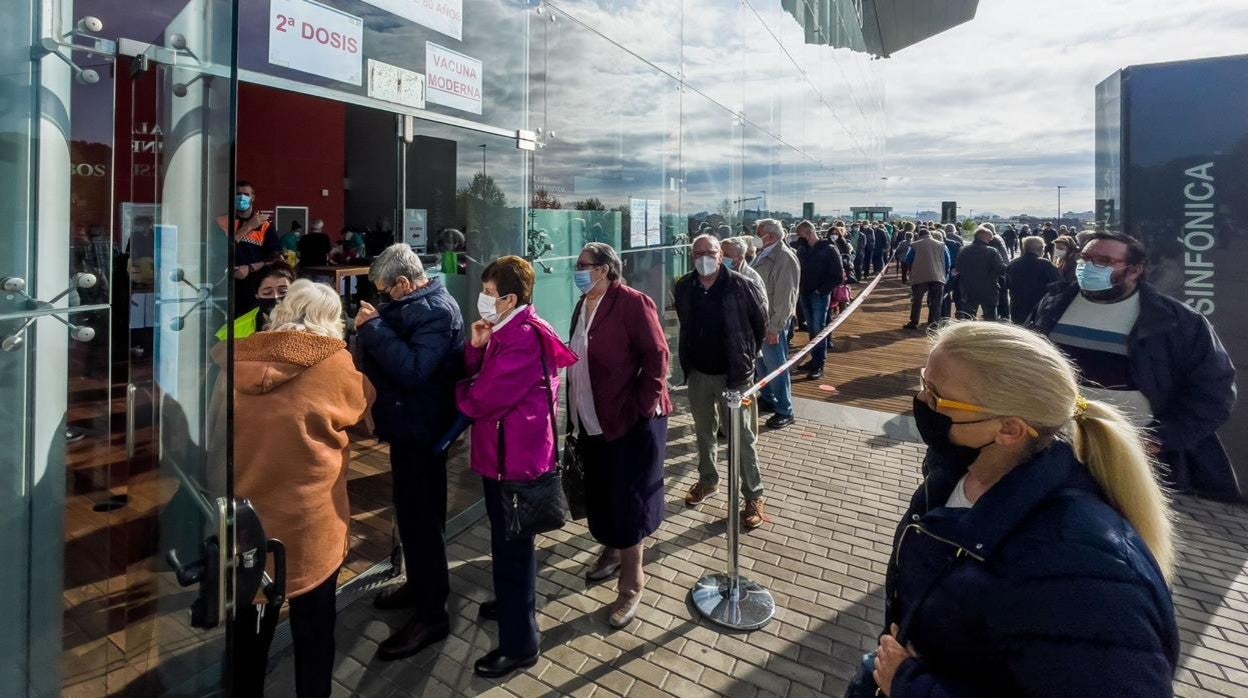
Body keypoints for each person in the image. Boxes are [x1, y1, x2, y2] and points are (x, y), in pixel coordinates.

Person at [854, 321, 1178, 697]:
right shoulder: (958, 473)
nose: (921, 401)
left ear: (1010, 430)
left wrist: (912, 685)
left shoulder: (1080, 571)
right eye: (923, 381)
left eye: (937, 398)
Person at [226, 280, 374, 698]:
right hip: (311, 520)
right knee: (314, 631)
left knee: (248, 632)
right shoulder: (333, 363)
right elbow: (364, 407)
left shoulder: (236, 357)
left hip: (246, 518)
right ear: (331, 320)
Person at [1028, 232, 1239, 500]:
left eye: (1104, 261)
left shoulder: (1176, 321)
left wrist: (1160, 439)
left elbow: (1214, 391)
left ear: (1134, 270)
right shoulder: (1053, 303)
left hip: (1130, 455)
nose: (1089, 267)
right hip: (1054, 444)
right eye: (1085, 258)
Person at [456, 256, 577, 678]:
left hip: (516, 463)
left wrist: (458, 394)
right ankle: (509, 607)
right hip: (506, 456)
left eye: (489, 292)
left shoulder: (522, 336)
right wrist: (476, 349)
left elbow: (483, 398)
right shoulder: (508, 329)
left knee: (512, 551)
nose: (483, 299)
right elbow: (484, 377)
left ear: (510, 298)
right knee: (507, 545)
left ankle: (520, 644)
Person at [354, 243, 465, 660]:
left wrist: (374, 328)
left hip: (423, 433)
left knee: (423, 523)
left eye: (386, 291)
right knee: (413, 517)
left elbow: (415, 370)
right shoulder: (420, 304)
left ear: (404, 283)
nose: (383, 298)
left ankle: (432, 615)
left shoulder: (436, 310)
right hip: (409, 429)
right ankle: (419, 586)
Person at [567, 243, 672, 628]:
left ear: (606, 269)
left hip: (629, 423)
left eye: (584, 266)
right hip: (592, 420)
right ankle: (611, 552)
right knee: (603, 492)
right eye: (577, 266)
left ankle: (632, 584)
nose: (578, 272)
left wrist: (642, 408)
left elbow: (658, 356)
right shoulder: (583, 306)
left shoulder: (632, 302)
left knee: (629, 502)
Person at [674, 234, 768, 529]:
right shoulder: (684, 286)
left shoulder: (742, 285)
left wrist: (746, 361)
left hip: (734, 376)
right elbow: (685, 322)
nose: (704, 257)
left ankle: (753, 494)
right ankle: (707, 480)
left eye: (710, 252)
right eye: (698, 253)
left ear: (721, 255)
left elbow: (759, 325)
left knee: (741, 438)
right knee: (704, 432)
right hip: (699, 373)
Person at [750, 218, 801, 429]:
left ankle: (785, 410)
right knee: (762, 364)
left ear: (770, 236)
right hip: (760, 322)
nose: (755, 235)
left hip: (772, 323)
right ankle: (769, 398)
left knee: (776, 367)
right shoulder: (764, 254)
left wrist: (775, 327)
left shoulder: (784, 258)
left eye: (758, 231)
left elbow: (785, 297)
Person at [792, 220, 843, 380]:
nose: (800, 239)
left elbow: (837, 275)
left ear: (808, 233)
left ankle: (819, 363)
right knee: (813, 329)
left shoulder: (828, 249)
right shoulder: (803, 249)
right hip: (805, 293)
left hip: (819, 295)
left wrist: (821, 290)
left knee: (818, 329)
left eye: (801, 236)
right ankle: (815, 359)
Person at [228, 180, 282, 315]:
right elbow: (221, 249)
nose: (241, 197)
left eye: (246, 194)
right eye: (237, 194)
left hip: (256, 286)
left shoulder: (265, 225)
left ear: (253, 198)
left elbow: (275, 257)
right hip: (228, 286)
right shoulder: (225, 222)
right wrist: (249, 226)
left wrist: (250, 268)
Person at [215, 264, 295, 341]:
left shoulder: (306, 323)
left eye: (283, 291)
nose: (276, 297)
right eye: (267, 293)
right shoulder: (230, 332)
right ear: (257, 295)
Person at [954, 226, 1007, 321]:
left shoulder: (963, 250)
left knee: (968, 318)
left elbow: (958, 268)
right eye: (990, 237)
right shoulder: (992, 251)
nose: (991, 239)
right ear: (985, 237)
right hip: (989, 289)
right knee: (990, 318)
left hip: (968, 288)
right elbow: (1000, 269)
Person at [902, 227, 951, 330]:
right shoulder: (942, 245)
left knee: (917, 300)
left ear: (919, 235)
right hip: (938, 277)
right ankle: (933, 322)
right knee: (936, 301)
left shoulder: (915, 245)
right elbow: (947, 262)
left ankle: (914, 322)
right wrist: (944, 275)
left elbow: (908, 260)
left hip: (920, 276)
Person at [1005, 236, 1060, 324]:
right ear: (1041, 248)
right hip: (1039, 307)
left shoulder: (1013, 263)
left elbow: (1007, 284)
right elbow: (1058, 283)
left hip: (1017, 306)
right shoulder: (1045, 264)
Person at [721, 237, 768, 313]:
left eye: (726, 255)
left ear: (740, 258)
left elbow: (761, 309)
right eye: (720, 253)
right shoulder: (716, 273)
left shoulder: (751, 278)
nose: (721, 257)